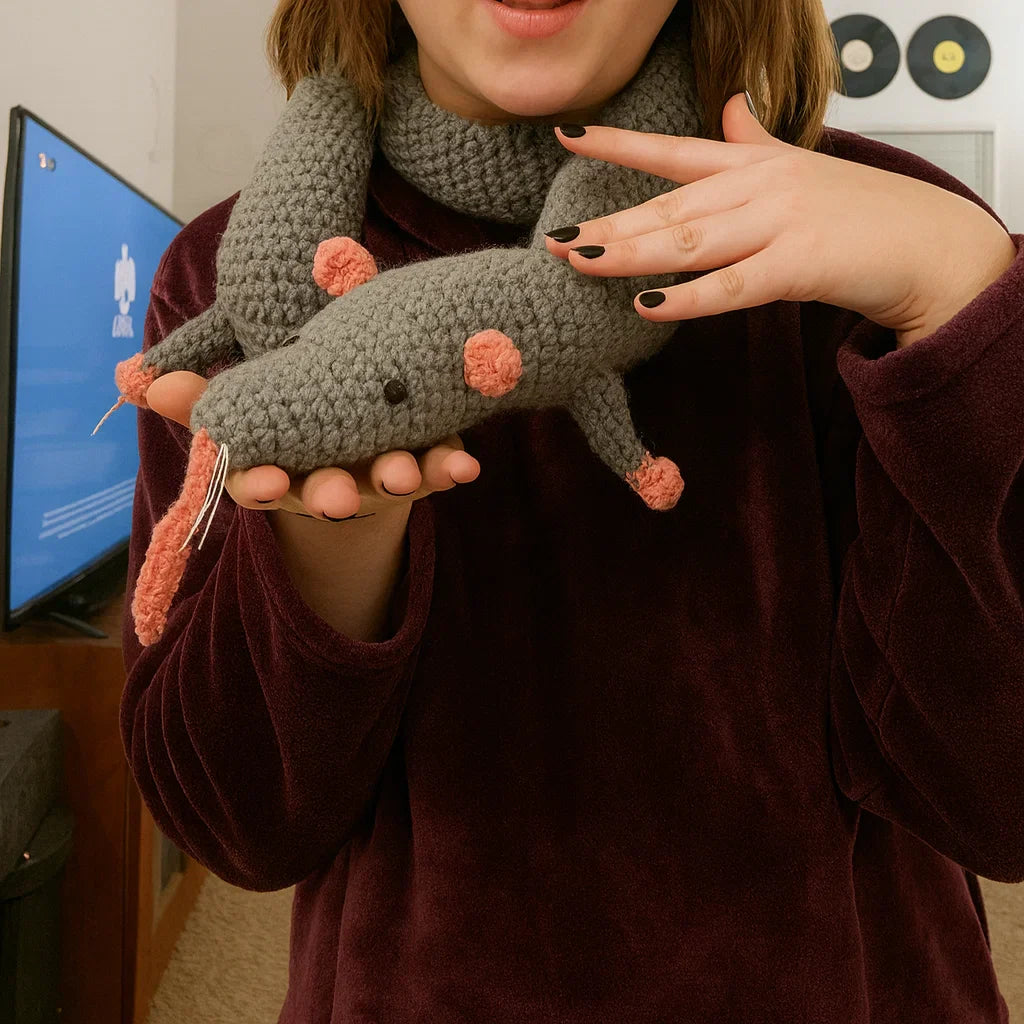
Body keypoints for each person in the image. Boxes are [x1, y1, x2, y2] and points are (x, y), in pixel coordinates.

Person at [119, 0, 1024, 1020]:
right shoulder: (233, 276)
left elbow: (995, 800)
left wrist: (958, 300)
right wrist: (335, 544)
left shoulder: (886, 238)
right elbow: (236, 825)